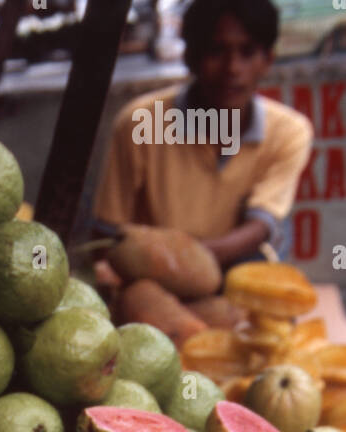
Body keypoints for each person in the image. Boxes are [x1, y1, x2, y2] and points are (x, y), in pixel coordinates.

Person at [94, 0, 313, 266]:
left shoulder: (289, 131)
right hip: (152, 274)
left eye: (247, 52)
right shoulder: (140, 123)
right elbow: (106, 235)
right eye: (216, 50)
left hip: (235, 269)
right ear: (190, 58)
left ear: (267, 60)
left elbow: (261, 225)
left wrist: (187, 258)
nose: (232, 68)